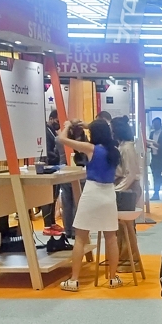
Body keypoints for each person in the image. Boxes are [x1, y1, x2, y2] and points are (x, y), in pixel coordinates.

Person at [56, 118, 123, 291]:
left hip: (92, 192)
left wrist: (67, 126)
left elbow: (62, 139)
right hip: (109, 194)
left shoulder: (91, 148)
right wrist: (87, 125)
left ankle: (74, 280)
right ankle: (113, 278)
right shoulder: (114, 151)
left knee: (80, 237)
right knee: (111, 238)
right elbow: (103, 129)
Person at [113, 118, 144, 211]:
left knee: (124, 218)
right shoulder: (122, 146)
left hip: (128, 188)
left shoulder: (127, 148)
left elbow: (131, 174)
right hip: (125, 187)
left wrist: (117, 190)